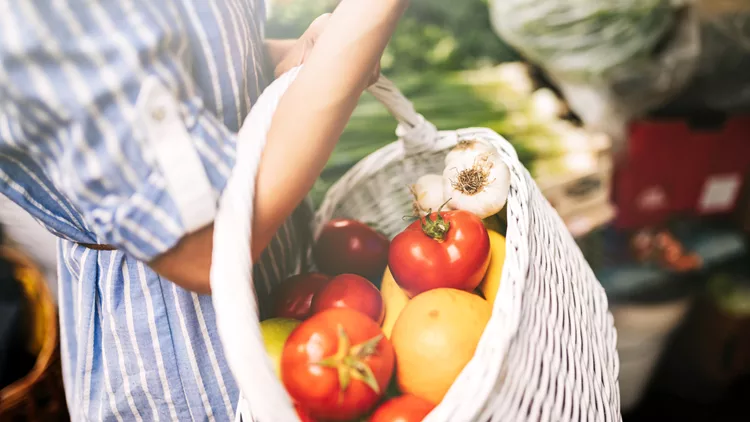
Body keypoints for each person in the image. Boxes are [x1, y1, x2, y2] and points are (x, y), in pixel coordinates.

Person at [0, 0, 408, 420]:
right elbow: (204, 251)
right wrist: (368, 19)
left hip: (290, 272)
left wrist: (286, 54)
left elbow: (159, 60)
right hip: (189, 351)